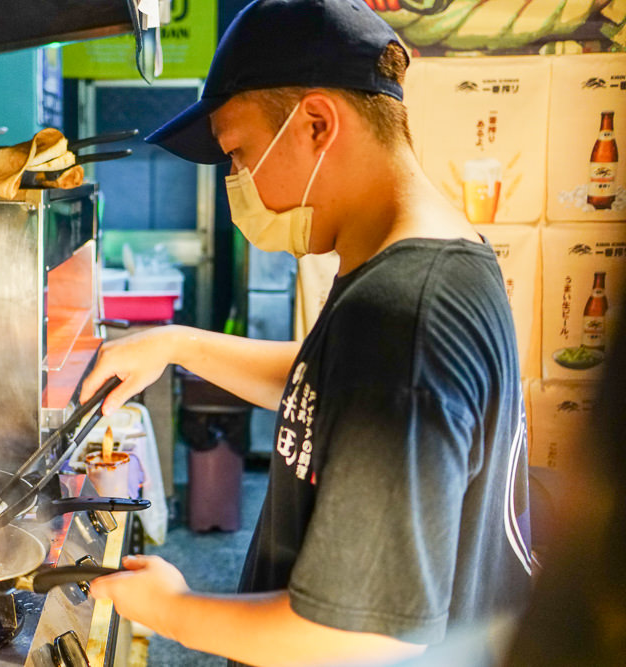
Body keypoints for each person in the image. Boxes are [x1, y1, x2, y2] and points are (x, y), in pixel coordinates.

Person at [79, 1, 533, 665]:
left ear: (317, 124)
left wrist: (174, 610)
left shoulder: (402, 316)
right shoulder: (439, 261)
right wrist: (177, 345)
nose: (236, 182)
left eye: (239, 153)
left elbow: (357, 632)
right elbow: (335, 383)